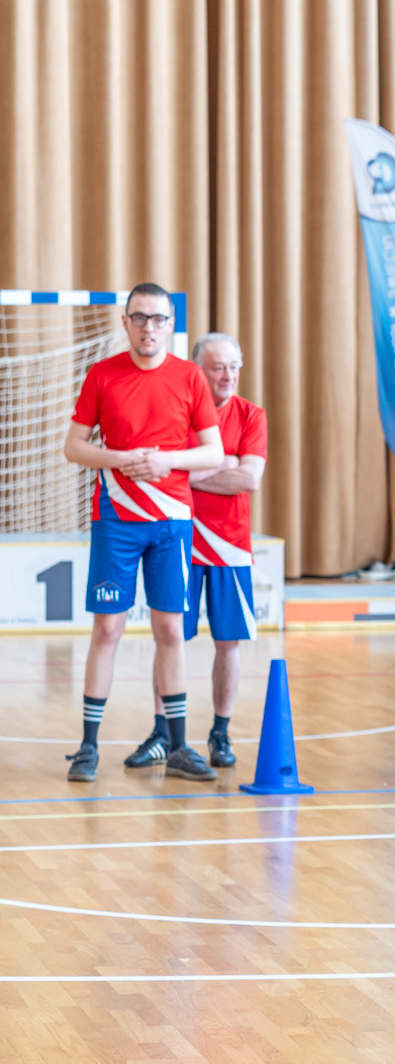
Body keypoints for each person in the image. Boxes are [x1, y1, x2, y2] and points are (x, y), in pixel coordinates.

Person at [62, 282, 224, 783]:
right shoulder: (102, 375)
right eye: (139, 318)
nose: (148, 328)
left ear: (170, 325)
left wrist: (165, 460)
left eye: (157, 319)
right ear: (125, 322)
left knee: (170, 630)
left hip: (172, 523)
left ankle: (177, 747)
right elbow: (74, 446)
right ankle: (88, 747)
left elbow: (214, 452)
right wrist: (119, 459)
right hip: (116, 520)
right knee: (107, 629)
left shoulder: (190, 377)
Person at [126, 333, 268, 770]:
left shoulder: (251, 415)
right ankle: (163, 734)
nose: (227, 376)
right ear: (197, 370)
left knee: (229, 642)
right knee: (169, 638)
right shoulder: (177, 413)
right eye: (217, 367)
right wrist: (220, 463)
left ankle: (220, 734)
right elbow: (155, 472)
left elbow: (249, 479)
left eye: (234, 367)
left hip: (230, 545)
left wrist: (185, 469)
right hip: (178, 541)